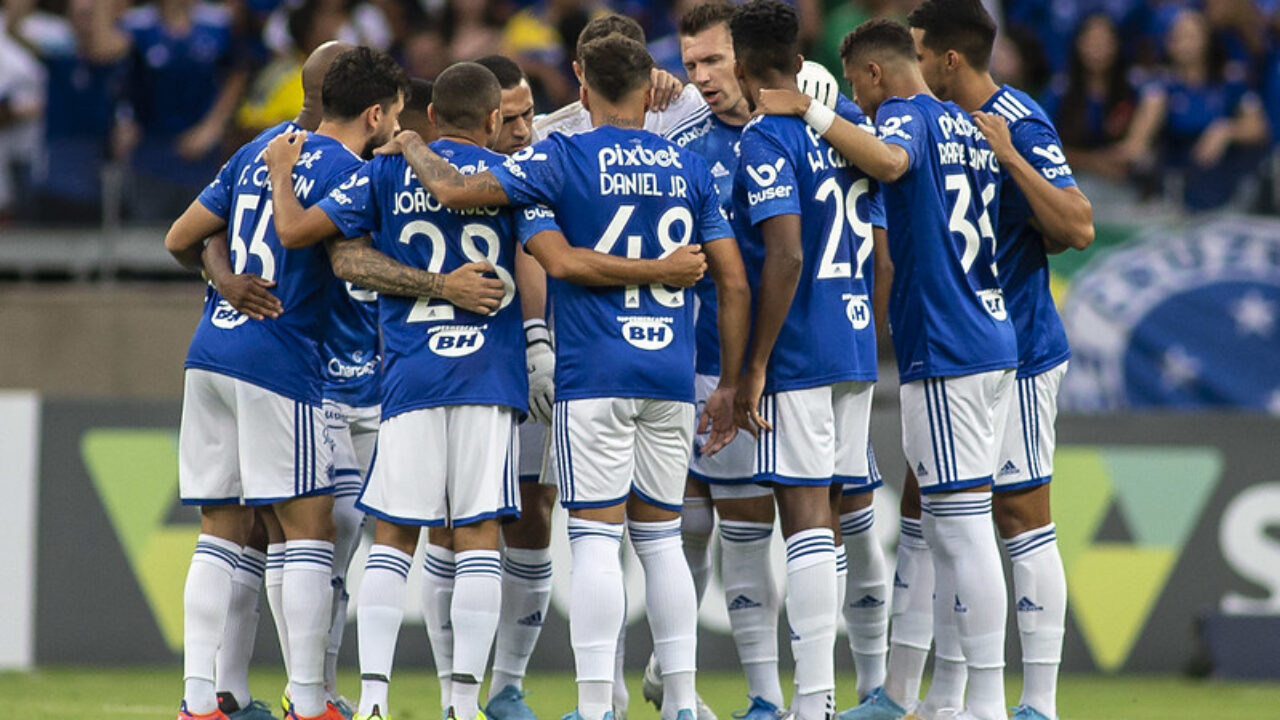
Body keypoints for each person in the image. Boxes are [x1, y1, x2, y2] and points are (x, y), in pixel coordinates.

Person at [382, 31, 753, 720]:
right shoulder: (688, 167)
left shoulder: (559, 156)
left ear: (581, 91)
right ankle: (676, 702)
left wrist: (408, 143)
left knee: (595, 540)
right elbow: (732, 283)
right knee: (663, 539)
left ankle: (595, 707)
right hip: (673, 373)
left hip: (596, 373)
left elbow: (460, 192)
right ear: (650, 92)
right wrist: (730, 382)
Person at [755, 16, 1018, 720]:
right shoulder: (966, 121)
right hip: (991, 334)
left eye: (861, 97)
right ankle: (924, 695)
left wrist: (809, 109)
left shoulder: (904, 113)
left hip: (948, 342)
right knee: (944, 527)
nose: (863, 113)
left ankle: (984, 702)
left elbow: (892, 163)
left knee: (960, 528)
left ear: (872, 76)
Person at [161, 45, 413, 720]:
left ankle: (199, 700)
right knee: (308, 530)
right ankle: (310, 702)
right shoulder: (353, 172)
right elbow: (315, 240)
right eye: (395, 114)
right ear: (373, 111)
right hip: (281, 359)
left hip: (210, 353)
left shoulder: (259, 150)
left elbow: (181, 237)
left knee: (221, 529)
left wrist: (225, 281)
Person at [904, 3, 1093, 719]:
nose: (911, 64)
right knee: (938, 510)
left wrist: (1009, 154)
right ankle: (945, 698)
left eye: (918, 52)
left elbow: (1078, 225)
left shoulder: (1019, 119)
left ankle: (1037, 703)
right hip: (964, 349)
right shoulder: (932, 121)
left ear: (950, 60)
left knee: (1018, 514)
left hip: (1021, 349)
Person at [726, 3, 884, 720]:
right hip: (852, 341)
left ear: (740, 62)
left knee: (807, 516)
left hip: (799, 348)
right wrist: (867, 328)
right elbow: (880, 248)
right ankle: (867, 687)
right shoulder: (846, 120)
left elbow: (784, 253)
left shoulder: (767, 138)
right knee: (846, 513)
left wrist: (755, 362)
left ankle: (815, 700)